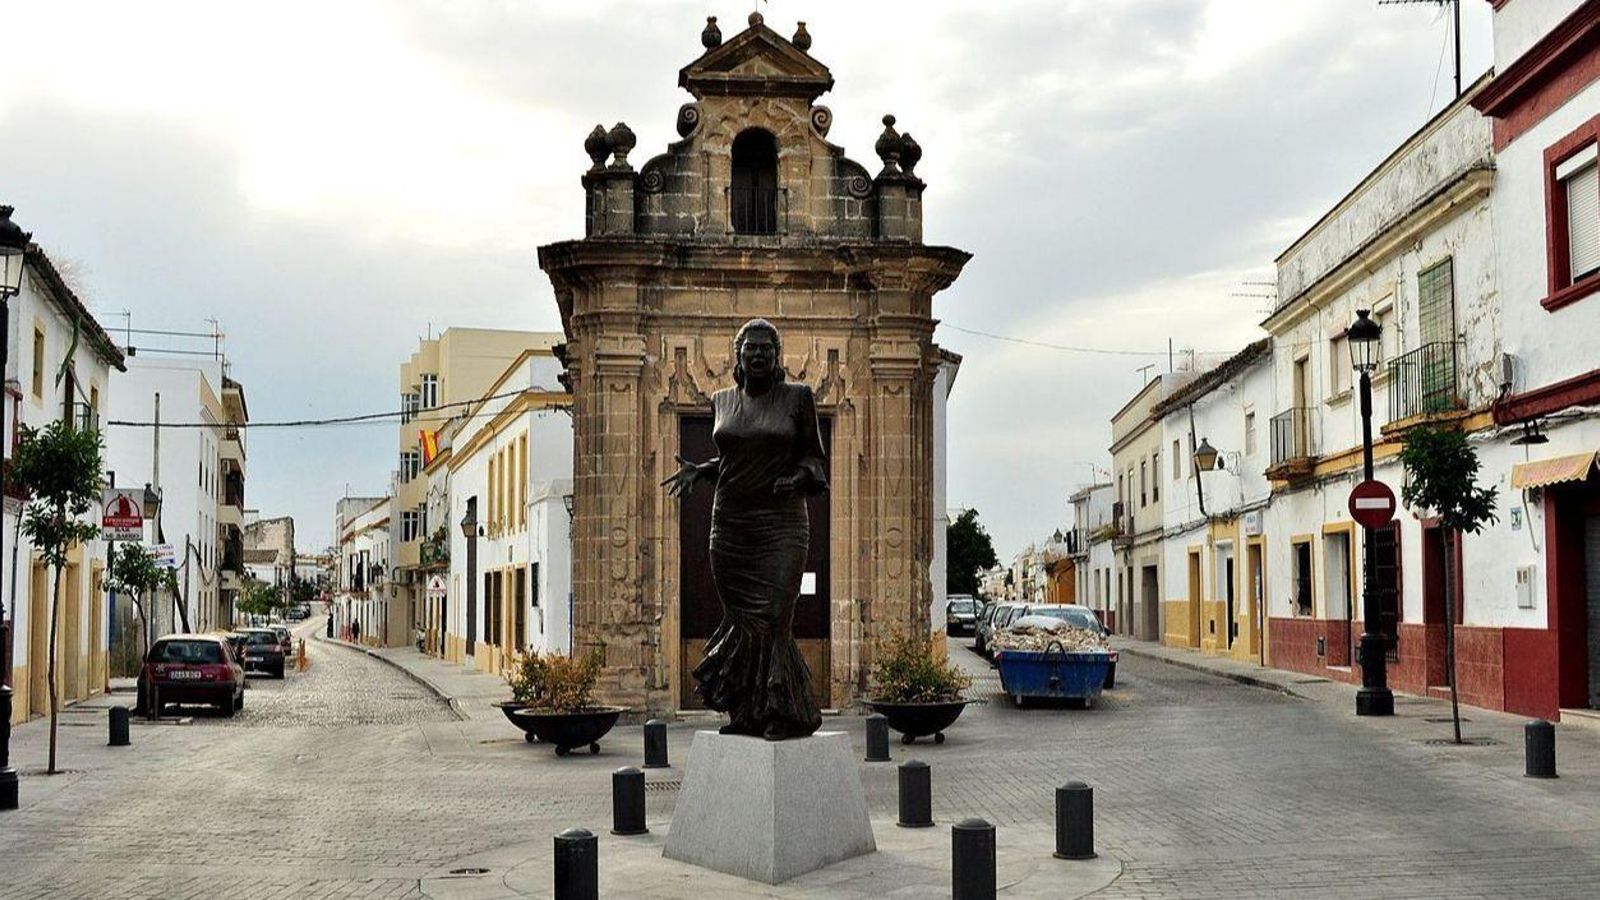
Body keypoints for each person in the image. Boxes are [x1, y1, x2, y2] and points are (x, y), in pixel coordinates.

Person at [663, 318, 825, 741]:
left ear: (776, 357)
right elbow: (736, 460)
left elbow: (814, 459)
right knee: (742, 620)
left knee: (773, 618)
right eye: (749, 349)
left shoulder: (797, 398)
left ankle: (783, 710)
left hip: (781, 524)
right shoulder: (721, 400)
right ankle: (746, 712)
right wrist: (702, 470)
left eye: (764, 349)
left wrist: (797, 478)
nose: (756, 355)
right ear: (737, 357)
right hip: (730, 526)